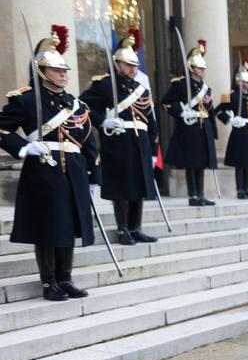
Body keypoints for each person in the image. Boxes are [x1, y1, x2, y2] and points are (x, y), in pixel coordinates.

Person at [0, 25, 100, 300]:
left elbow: (88, 142)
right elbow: (2, 128)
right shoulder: (27, 100)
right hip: (44, 167)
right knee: (47, 226)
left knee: (67, 225)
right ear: (43, 72)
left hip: (74, 170)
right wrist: (24, 147)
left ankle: (65, 279)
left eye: (65, 71)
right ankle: (49, 283)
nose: (63, 75)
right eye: (57, 71)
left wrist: (94, 177)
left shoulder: (75, 103)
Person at [79, 28, 158, 244]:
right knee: (123, 187)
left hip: (139, 142)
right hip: (118, 140)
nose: (132, 69)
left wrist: (152, 150)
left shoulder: (141, 89)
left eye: (135, 65)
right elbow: (82, 105)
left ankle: (135, 228)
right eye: (128, 65)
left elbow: (151, 122)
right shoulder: (105, 85)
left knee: (139, 186)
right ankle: (122, 229)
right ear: (117, 64)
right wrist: (102, 120)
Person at [162, 39, 217, 206]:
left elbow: (211, 111)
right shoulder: (180, 84)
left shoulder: (206, 88)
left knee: (201, 163)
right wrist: (181, 112)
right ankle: (193, 195)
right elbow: (166, 102)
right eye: (200, 68)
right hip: (189, 128)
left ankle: (200, 194)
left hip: (203, 127)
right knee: (191, 163)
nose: (202, 71)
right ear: (192, 68)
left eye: (203, 68)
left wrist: (213, 131)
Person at [217, 59, 248, 199]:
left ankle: (247, 188)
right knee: (240, 162)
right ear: (240, 82)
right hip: (239, 130)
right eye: (246, 83)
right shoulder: (232, 96)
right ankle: (240, 190)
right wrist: (230, 120)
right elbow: (218, 111)